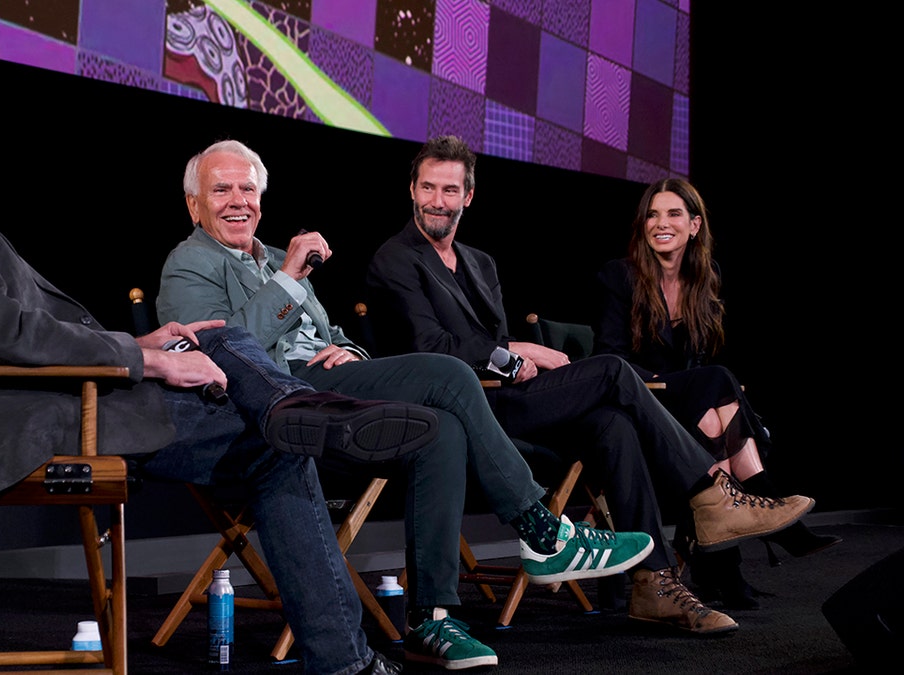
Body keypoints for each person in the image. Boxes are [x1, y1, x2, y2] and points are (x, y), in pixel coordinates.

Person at [0, 24, 459, 675]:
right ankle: (343, 645)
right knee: (273, 444)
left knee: (215, 337)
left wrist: (138, 343)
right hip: (15, 415)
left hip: (26, 394)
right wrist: (144, 358)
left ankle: (301, 410)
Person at [156, 139, 801, 657]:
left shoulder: (276, 257)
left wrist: (346, 350)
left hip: (345, 389)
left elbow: (338, 336)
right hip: (286, 408)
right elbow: (227, 352)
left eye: (248, 189)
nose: (239, 200)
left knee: (501, 425)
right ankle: (551, 530)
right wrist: (295, 279)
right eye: (223, 190)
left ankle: (437, 615)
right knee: (525, 375)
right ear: (194, 204)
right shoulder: (192, 265)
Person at [363, 135, 814, 634]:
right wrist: (516, 353)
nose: (437, 201)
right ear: (411, 189)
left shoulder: (480, 262)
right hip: (461, 408)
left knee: (614, 425)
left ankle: (654, 583)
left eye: (450, 190)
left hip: (505, 397)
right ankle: (711, 494)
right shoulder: (396, 258)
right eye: (428, 187)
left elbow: (484, 340)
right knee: (612, 370)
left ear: (468, 196)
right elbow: (432, 346)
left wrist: (513, 353)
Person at [593, 177, 841, 607]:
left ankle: (724, 570)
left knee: (712, 415)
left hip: (688, 408)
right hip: (640, 399)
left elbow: (699, 356)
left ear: (694, 225)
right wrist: (681, 385)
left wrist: (703, 393)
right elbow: (609, 358)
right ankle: (765, 533)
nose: (660, 223)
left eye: (673, 214)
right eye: (653, 214)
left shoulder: (706, 277)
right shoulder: (620, 275)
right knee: (717, 380)